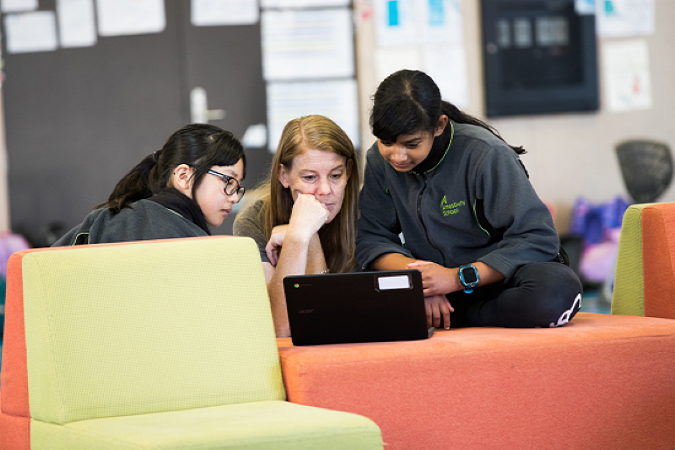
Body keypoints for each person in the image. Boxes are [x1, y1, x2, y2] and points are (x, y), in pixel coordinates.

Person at [356, 69, 582, 330]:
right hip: (428, 285)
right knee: (353, 293)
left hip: (492, 282)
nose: (397, 155)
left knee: (555, 291)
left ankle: (464, 317)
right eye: (386, 142)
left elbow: (537, 238)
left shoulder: (486, 154)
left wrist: (455, 279)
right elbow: (372, 238)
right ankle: (445, 313)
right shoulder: (377, 160)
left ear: (439, 125)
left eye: (412, 144)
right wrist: (422, 280)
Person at [234, 115, 360, 337]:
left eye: (336, 175)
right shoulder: (253, 219)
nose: (325, 190)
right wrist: (299, 237)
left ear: (348, 171)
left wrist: (301, 234)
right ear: (284, 175)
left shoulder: (366, 214)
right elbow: (281, 328)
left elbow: (327, 323)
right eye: (310, 177)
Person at [54, 123, 246, 246]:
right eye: (228, 180)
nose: (235, 196)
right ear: (183, 176)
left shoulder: (102, 220)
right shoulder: (199, 246)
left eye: (237, 186)